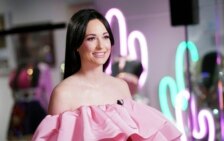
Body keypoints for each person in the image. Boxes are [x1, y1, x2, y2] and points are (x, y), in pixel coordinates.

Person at [32, 9, 181, 141]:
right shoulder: (63, 94)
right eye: (91, 38)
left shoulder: (120, 87)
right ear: (76, 45)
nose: (101, 45)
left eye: (105, 37)